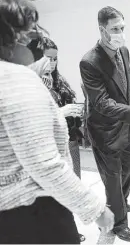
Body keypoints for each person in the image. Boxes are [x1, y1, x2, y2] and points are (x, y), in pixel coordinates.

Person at [0, 0, 114, 244]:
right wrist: (96, 209)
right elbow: (44, 164)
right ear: (16, 38)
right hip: (33, 212)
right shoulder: (17, 79)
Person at [79, 6, 130, 242]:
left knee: (129, 171)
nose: (120, 33)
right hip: (105, 132)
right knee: (112, 179)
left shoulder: (123, 51)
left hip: (128, 126)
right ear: (102, 29)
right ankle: (119, 223)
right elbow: (101, 103)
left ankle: (120, 203)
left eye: (122, 27)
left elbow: (125, 90)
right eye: (115, 29)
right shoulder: (89, 62)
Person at [39, 37, 86, 242]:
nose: (52, 63)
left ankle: (68, 227)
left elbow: (70, 105)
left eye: (55, 58)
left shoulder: (60, 80)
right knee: (55, 192)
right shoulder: (31, 85)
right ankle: (64, 231)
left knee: (74, 184)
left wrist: (77, 112)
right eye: (48, 58)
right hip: (49, 147)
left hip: (70, 140)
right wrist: (62, 111)